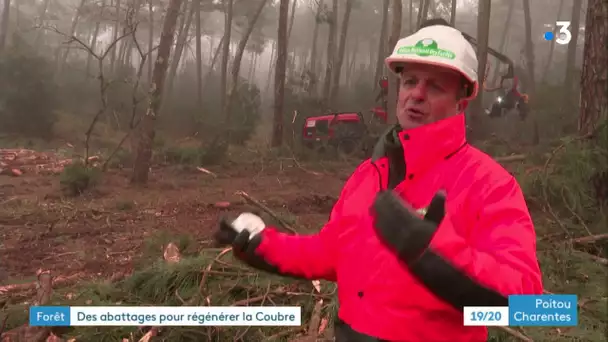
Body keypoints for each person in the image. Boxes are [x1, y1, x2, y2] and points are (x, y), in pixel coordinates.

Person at [214, 19, 543, 342]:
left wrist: (435, 253)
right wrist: (260, 245)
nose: (417, 94)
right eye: (410, 81)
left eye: (436, 86)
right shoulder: (368, 175)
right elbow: (328, 251)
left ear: (462, 100)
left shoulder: (490, 183)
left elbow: (527, 303)